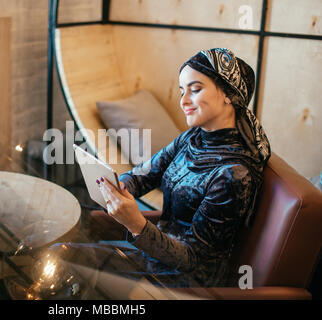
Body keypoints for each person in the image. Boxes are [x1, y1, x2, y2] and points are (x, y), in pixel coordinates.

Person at [47, 48, 271, 292]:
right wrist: (121, 186)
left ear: (229, 94)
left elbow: (193, 260)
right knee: (60, 255)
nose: (183, 101)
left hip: (185, 284)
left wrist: (136, 225)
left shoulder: (233, 174)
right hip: (155, 257)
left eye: (195, 90)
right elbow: (145, 174)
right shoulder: (192, 138)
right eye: (182, 91)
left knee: (62, 259)